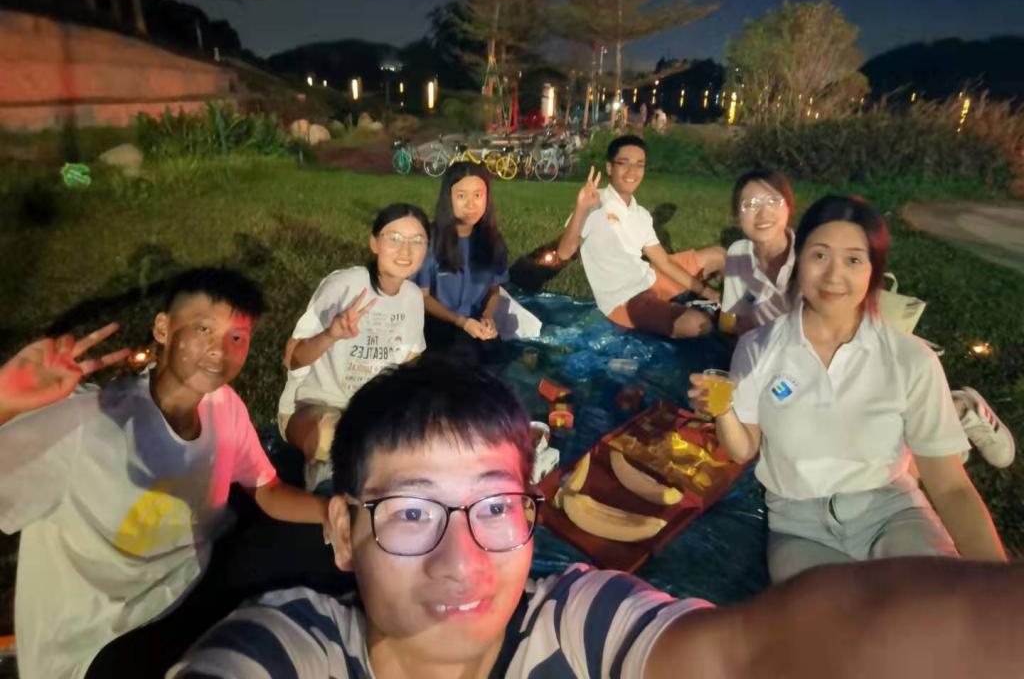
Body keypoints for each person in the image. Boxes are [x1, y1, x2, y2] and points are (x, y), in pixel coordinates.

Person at [170, 358, 1024, 678]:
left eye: (495, 507)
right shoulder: (286, 650)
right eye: (412, 511)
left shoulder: (579, 626)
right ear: (342, 533)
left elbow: (757, 652)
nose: (461, 563)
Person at [0, 268, 330, 679]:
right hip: (96, 647)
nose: (219, 350)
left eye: (237, 337)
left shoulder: (223, 406)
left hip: (190, 592)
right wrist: (3, 401)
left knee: (320, 552)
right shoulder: (83, 423)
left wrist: (336, 512)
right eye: (204, 329)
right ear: (163, 329)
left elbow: (266, 489)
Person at [690, 195, 1007, 583]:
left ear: (874, 271)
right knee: (826, 620)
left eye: (853, 260)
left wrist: (1002, 590)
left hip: (892, 513)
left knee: (932, 605)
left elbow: (951, 488)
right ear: (798, 260)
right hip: (798, 526)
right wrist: (723, 410)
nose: (833, 275)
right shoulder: (758, 348)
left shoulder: (911, 359)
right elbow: (744, 448)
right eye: (819, 255)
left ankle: (960, 410)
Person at [280, 203, 429, 493]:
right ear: (374, 243)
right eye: (394, 238)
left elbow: (410, 362)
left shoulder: (412, 297)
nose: (405, 250)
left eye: (417, 240)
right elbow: (292, 359)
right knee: (332, 436)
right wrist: (331, 334)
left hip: (371, 410)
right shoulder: (344, 286)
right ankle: (326, 481)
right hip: (314, 407)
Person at [557, 134, 725, 338]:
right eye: (624, 163)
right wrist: (580, 208)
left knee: (719, 255)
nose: (632, 172)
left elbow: (664, 262)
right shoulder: (594, 203)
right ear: (610, 168)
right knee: (699, 325)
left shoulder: (641, 214)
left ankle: (731, 306)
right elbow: (564, 253)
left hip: (650, 279)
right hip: (623, 301)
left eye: (639, 165)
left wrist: (708, 292)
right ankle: (702, 313)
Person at [414, 161, 509, 365]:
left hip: (474, 324)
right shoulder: (430, 240)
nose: (471, 205)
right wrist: (461, 321)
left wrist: (488, 316)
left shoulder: (493, 241)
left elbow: (494, 289)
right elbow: (422, 296)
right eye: (461, 196)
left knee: (500, 359)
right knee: (461, 359)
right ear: (448, 198)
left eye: (478, 195)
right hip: (437, 323)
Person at [721, 168, 797, 334]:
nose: (763, 214)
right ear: (737, 217)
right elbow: (737, 321)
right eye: (750, 205)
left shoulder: (807, 253)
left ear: (789, 206)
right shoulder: (738, 254)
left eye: (773, 201)